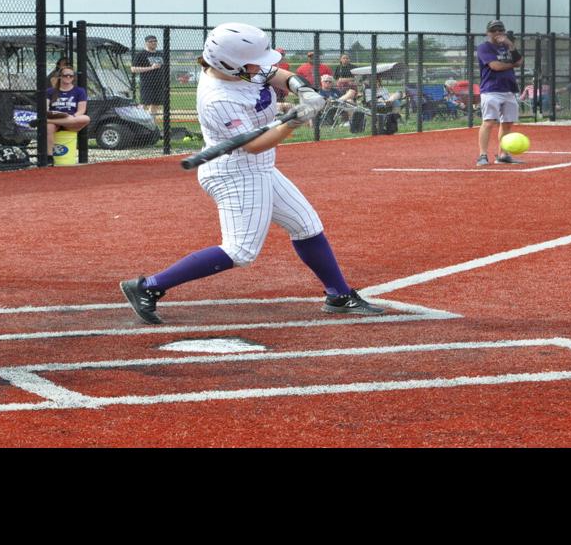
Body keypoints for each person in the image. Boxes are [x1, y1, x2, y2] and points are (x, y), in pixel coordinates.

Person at [119, 22, 385, 323]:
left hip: (257, 167)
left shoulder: (241, 67)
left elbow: (275, 74)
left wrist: (302, 89)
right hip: (235, 171)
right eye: (253, 62)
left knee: (306, 225)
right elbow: (255, 144)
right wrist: (295, 120)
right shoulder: (218, 99)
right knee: (240, 250)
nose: (261, 66)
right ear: (230, 63)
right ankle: (148, 287)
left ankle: (338, 294)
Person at [474, 20, 524, 166]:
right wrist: (513, 65)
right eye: (493, 30)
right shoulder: (484, 47)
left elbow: (520, 61)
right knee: (489, 122)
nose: (497, 33)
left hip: (508, 89)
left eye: (500, 30)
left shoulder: (507, 46)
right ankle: (482, 155)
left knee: (507, 123)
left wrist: (510, 45)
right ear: (488, 33)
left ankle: (503, 155)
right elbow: (495, 66)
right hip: (491, 90)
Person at [42, 64, 89, 165]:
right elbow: (45, 109)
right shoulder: (50, 91)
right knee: (49, 127)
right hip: (56, 119)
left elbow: (82, 110)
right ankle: (49, 157)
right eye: (65, 75)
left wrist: (72, 118)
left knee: (86, 118)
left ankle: (47, 121)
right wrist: (52, 116)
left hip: (71, 122)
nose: (68, 78)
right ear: (60, 76)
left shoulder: (79, 91)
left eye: (71, 76)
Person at [129, 35, 168, 119]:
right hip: (147, 84)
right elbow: (133, 69)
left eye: (155, 41)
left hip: (159, 84)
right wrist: (151, 68)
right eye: (151, 41)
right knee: (144, 104)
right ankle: (137, 121)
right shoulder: (141, 54)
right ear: (146, 43)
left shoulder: (160, 54)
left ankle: (151, 124)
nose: (153, 43)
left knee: (155, 105)